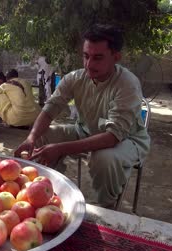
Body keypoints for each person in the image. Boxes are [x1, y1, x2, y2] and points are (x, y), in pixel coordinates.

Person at [14, 24, 151, 208]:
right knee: (42, 137)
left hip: (127, 140)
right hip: (84, 131)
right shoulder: (75, 78)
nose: (89, 64)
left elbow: (113, 137)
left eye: (98, 58)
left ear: (116, 57)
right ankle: (44, 193)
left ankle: (107, 208)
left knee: (104, 158)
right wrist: (31, 137)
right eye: (86, 56)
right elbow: (49, 110)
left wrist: (60, 148)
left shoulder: (128, 84)